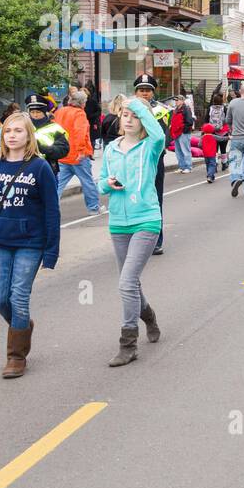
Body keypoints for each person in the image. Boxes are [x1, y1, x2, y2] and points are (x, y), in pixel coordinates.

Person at [0, 113, 60, 379]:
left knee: (18, 297)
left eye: (18, 131)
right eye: (8, 131)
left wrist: (51, 251)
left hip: (31, 244)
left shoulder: (40, 167)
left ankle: (16, 356)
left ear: (28, 135)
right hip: (1, 243)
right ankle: (23, 325)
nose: (12, 135)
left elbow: (52, 212)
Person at [99, 97, 166, 366]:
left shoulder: (151, 146)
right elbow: (101, 181)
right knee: (131, 283)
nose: (128, 119)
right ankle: (148, 315)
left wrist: (137, 103)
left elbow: (159, 132)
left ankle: (128, 343)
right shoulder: (111, 149)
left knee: (126, 283)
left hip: (146, 220)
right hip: (118, 222)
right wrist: (108, 183)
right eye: (124, 115)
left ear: (143, 120)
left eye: (134, 116)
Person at [131, 75, 171, 254]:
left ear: (153, 92)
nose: (144, 93)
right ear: (135, 92)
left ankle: (156, 241)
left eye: (148, 90)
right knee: (132, 200)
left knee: (154, 201)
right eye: (141, 90)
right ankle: (134, 238)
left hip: (152, 163)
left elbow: (162, 139)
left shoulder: (160, 111)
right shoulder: (129, 109)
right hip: (131, 163)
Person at [54, 90, 100, 215]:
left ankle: (52, 208)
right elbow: (80, 132)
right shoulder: (79, 113)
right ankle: (94, 208)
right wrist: (80, 151)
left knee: (58, 185)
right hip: (77, 155)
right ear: (82, 103)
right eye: (85, 101)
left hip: (62, 155)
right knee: (87, 182)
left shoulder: (59, 112)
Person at [24, 94, 69, 176]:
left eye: (38, 112)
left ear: (44, 112)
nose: (35, 115)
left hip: (48, 169)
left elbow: (63, 150)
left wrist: (41, 147)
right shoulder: (23, 126)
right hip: (25, 170)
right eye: (32, 112)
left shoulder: (55, 128)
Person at [169, 95, 195, 174]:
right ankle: (182, 166)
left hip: (183, 133)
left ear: (182, 101)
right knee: (178, 151)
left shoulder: (186, 109)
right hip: (176, 132)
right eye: (175, 100)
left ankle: (188, 167)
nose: (176, 102)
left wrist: (184, 130)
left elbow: (190, 121)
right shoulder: (176, 109)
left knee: (185, 150)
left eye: (177, 100)